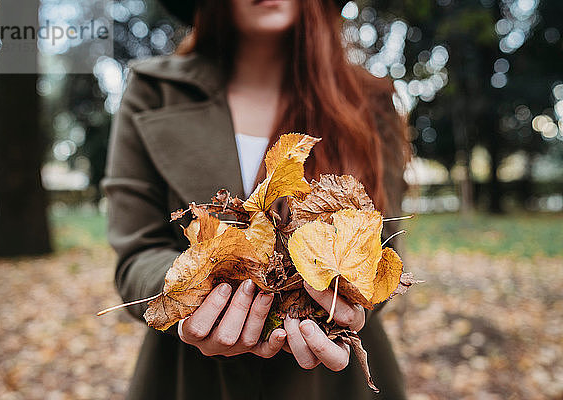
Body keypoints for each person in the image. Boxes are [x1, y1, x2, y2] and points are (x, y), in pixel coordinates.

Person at [103, 0, 410, 399]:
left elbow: (384, 254)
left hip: (331, 384)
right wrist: (192, 296)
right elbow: (137, 252)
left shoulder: (369, 101)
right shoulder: (154, 91)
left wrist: (348, 305)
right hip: (190, 378)